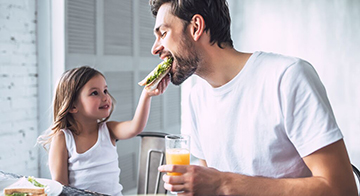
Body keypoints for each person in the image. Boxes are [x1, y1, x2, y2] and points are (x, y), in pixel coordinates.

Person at [149, 0, 358, 195]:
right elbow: (209, 181)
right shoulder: (197, 98)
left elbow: (342, 188)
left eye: (163, 34)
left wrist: (223, 183)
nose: (155, 48)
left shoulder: (287, 77)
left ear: (196, 27)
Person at [38, 66, 169, 196]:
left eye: (105, 91)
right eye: (95, 93)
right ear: (73, 106)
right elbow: (62, 188)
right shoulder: (63, 138)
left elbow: (135, 127)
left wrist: (146, 95)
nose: (105, 97)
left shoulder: (109, 130)